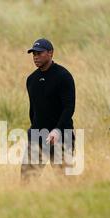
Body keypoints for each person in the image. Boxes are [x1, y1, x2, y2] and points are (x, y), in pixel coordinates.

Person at [21, 38, 76, 182]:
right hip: (38, 136)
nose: (35, 56)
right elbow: (34, 110)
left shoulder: (63, 76)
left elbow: (69, 107)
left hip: (62, 137)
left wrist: (57, 130)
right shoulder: (31, 80)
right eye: (33, 53)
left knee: (65, 181)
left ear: (51, 53)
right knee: (27, 180)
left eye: (39, 53)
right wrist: (32, 130)